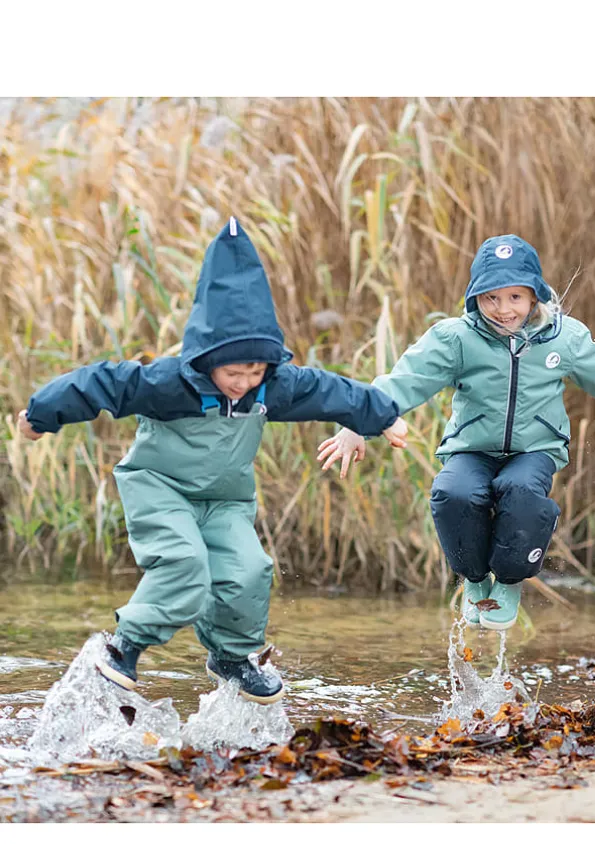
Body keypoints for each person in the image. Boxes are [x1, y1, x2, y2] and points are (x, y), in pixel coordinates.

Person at [18, 217, 407, 703]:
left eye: (255, 372)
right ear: (207, 360)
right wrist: (41, 415)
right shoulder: (168, 384)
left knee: (249, 571)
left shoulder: (272, 388)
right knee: (185, 563)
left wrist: (382, 416)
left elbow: (329, 391)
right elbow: (100, 383)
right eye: (233, 373)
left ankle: (231, 657)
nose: (243, 383)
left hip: (225, 501)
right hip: (160, 489)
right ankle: (126, 646)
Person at [318, 234, 595, 630]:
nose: (503, 309)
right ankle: (475, 579)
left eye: (515, 297)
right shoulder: (457, 339)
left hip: (535, 449)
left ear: (534, 295)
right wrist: (359, 423)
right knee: (453, 492)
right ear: (475, 297)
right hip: (472, 448)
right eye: (491, 298)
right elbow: (406, 380)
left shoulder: (564, 338)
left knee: (521, 491)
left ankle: (509, 581)